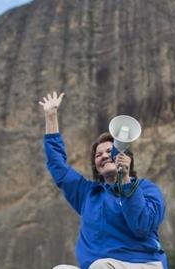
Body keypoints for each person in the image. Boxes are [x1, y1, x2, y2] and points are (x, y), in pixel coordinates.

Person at [39, 92, 168, 269]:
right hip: (100, 266)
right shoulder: (87, 194)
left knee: (100, 266)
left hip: (143, 264)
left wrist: (125, 182)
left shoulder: (147, 189)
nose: (104, 156)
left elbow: (141, 226)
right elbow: (57, 165)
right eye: (98, 155)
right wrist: (51, 116)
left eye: (109, 151)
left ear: (124, 156)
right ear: (96, 166)